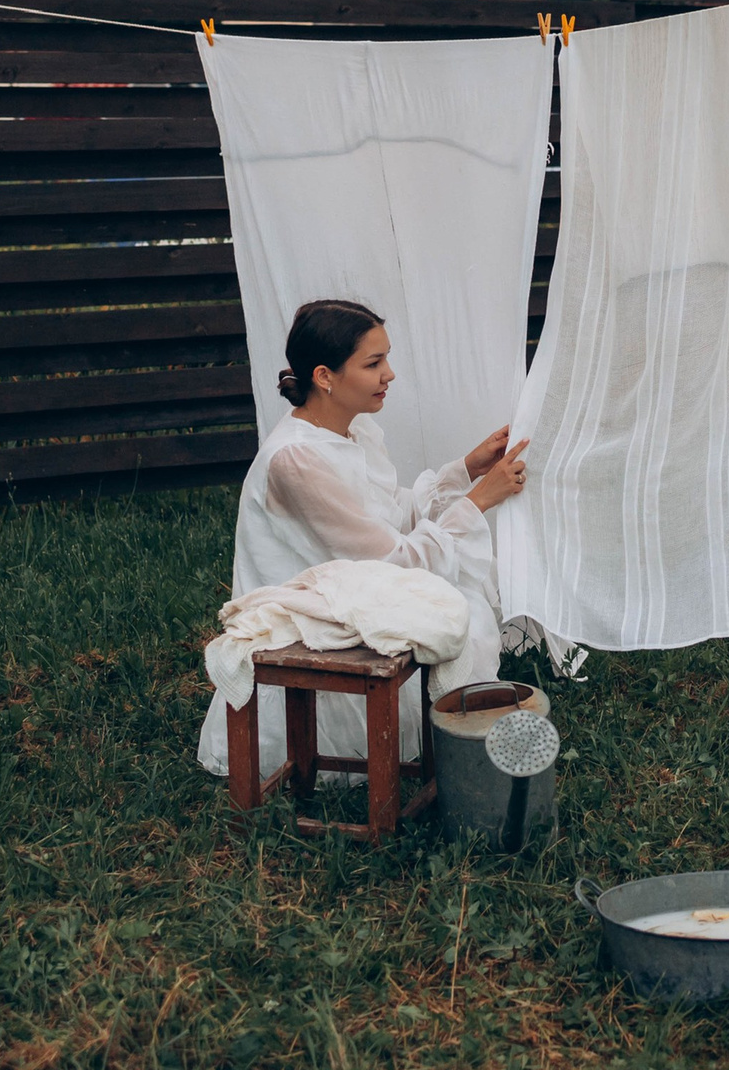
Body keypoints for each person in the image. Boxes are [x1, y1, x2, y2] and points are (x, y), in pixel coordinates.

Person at [195, 299, 530, 780]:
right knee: (461, 613)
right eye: (373, 363)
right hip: (311, 612)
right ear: (325, 376)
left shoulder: (354, 432)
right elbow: (393, 558)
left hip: (353, 580)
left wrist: (466, 469)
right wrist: (478, 501)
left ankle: (454, 729)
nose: (389, 374)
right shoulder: (295, 460)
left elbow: (391, 515)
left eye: (386, 359)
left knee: (463, 607)